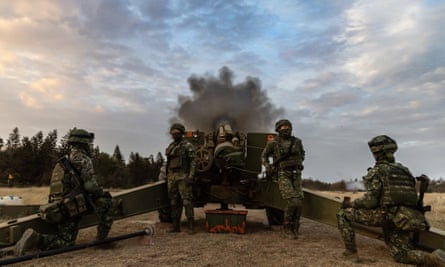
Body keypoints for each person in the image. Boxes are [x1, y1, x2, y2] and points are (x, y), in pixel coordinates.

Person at [337, 135, 445, 266]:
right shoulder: (404, 170)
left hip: (388, 216)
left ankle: (350, 252)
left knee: (343, 214)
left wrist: (352, 203)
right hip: (406, 218)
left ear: (376, 153)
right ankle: (435, 259)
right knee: (402, 255)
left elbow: (370, 202)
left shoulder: (377, 171)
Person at [14, 128, 114, 256]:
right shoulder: (84, 159)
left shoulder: (64, 161)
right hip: (72, 206)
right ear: (83, 143)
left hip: (59, 206)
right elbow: (90, 186)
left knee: (64, 237)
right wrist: (100, 191)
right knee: (107, 203)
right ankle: (101, 241)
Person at [261, 119, 305, 239]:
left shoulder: (297, 142)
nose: (286, 128)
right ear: (278, 129)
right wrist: (268, 166)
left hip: (296, 174)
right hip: (283, 174)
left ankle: (295, 227)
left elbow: (302, 154)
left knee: (299, 202)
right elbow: (264, 155)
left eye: (288, 126)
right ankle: (287, 228)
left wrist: (299, 162)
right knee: (292, 201)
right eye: (283, 127)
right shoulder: (274, 143)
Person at [165, 123, 197, 234]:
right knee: (174, 202)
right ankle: (175, 227)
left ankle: (191, 227)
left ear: (181, 133)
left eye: (177, 133)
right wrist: (166, 175)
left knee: (187, 201)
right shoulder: (171, 147)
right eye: (173, 133)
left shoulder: (187, 145)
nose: (175, 135)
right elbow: (168, 162)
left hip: (183, 176)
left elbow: (193, 161)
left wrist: (191, 176)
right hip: (172, 176)